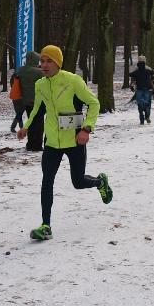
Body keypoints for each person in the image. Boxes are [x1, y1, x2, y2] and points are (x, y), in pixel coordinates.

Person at [17, 45, 112, 241]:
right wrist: (26, 126)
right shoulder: (40, 84)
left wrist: (86, 129)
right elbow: (37, 109)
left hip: (75, 139)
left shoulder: (73, 81)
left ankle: (100, 182)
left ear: (58, 63)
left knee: (78, 182)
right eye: (42, 61)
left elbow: (94, 103)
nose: (44, 65)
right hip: (52, 141)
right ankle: (46, 226)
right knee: (47, 181)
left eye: (49, 61)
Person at [15, 51, 44, 151]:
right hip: (38, 102)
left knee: (30, 122)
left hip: (26, 101)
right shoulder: (39, 72)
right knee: (39, 124)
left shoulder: (20, 70)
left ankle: (30, 144)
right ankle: (37, 145)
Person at [128, 55, 154, 125]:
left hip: (139, 88)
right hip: (148, 88)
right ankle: (147, 116)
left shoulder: (136, 69)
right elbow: (152, 78)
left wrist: (131, 86)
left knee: (140, 103)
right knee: (148, 103)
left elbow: (133, 78)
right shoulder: (149, 69)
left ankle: (141, 119)